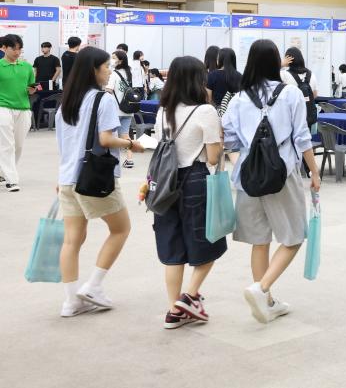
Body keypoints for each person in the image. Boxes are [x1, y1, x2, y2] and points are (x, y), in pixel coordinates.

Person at [222, 39, 321, 324]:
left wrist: (240, 160)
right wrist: (314, 172)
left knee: (259, 239)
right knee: (294, 236)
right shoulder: (289, 93)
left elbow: (228, 139)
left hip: (248, 176)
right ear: (276, 61)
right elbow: (301, 137)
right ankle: (261, 289)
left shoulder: (240, 98)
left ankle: (265, 301)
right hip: (282, 173)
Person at [57, 46, 145, 317]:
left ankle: (71, 301)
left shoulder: (66, 103)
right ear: (93, 70)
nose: (109, 71)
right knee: (121, 229)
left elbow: (63, 145)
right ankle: (93, 285)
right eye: (106, 66)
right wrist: (132, 144)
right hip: (94, 178)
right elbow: (106, 140)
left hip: (68, 178)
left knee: (72, 240)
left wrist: (59, 178)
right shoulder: (102, 99)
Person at [152, 56, 227, 329]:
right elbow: (212, 156)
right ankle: (190, 296)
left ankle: (174, 310)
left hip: (165, 183)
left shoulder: (163, 111)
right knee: (209, 244)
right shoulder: (205, 111)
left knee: (173, 249)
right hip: (195, 180)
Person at [1, 34, 39, 192]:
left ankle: (3, 172)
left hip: (23, 108)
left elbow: (31, 90)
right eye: (13, 48)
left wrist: (32, 90)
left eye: (19, 49)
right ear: (3, 48)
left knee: (18, 145)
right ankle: (12, 179)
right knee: (6, 144)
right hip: (2, 107)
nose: (17, 52)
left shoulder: (27, 67)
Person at [108, 50, 135, 169]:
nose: (111, 59)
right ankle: (129, 159)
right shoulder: (130, 73)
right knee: (125, 135)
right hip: (128, 109)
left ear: (120, 60)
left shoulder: (114, 74)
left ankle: (114, 160)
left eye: (114, 58)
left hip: (116, 109)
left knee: (112, 135)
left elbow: (109, 89)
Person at [283, 47, 317, 128]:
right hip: (307, 117)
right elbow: (314, 95)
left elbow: (267, 77)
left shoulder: (283, 75)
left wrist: (281, 64)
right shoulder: (311, 75)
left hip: (289, 117)